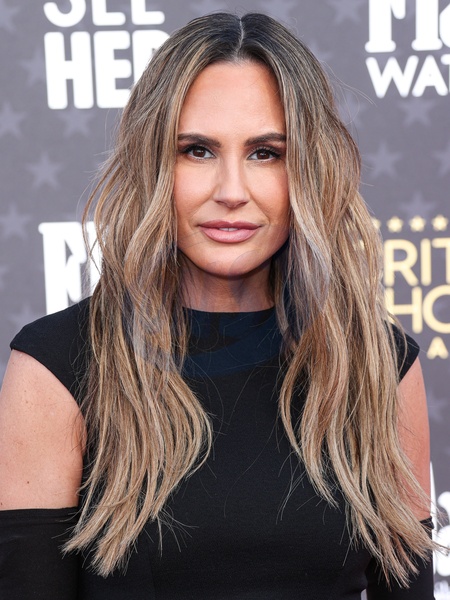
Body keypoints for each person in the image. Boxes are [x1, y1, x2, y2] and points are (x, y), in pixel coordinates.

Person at [0, 12, 436, 599]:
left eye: (266, 153)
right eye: (198, 150)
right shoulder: (57, 367)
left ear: (310, 170)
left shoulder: (380, 364)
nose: (231, 191)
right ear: (154, 164)